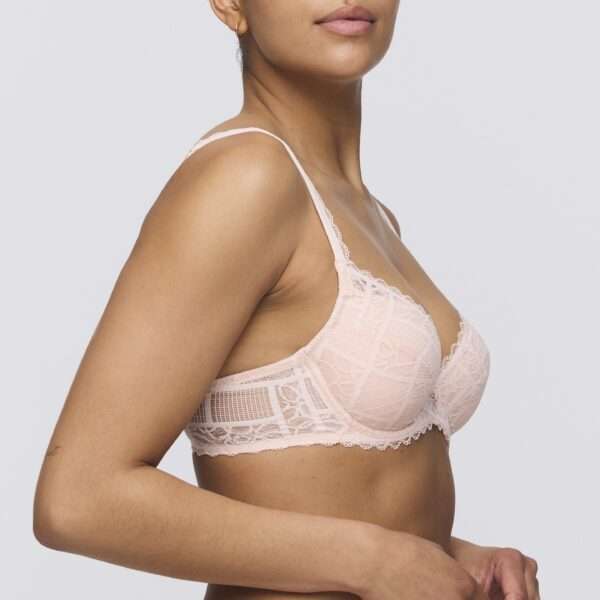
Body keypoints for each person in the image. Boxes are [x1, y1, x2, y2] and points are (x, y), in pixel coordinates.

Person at [33, 1, 540, 599]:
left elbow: (329, 488)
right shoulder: (247, 177)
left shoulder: (370, 214)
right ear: (231, 5)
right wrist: (373, 562)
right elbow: (79, 498)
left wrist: (451, 558)